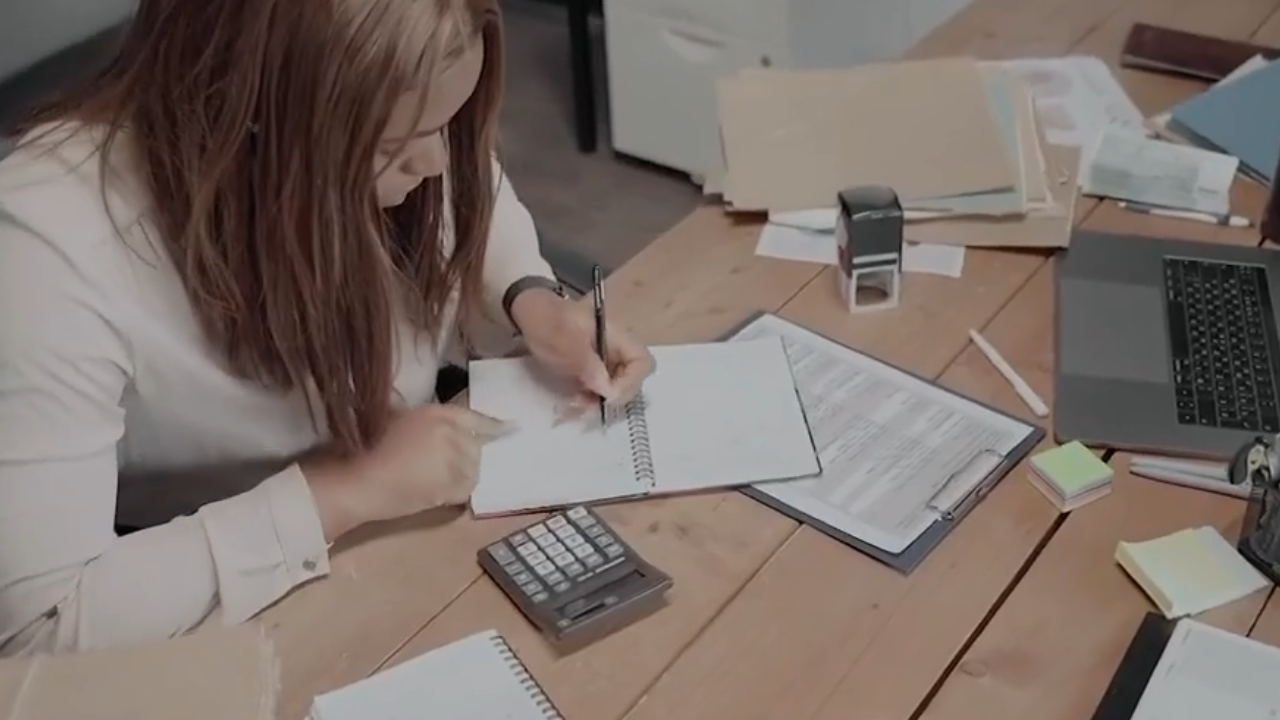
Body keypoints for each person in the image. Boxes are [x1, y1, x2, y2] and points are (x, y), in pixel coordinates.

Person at [0, 0, 655, 656]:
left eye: (448, 124)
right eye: (393, 147)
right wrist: (344, 490)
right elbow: (39, 626)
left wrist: (528, 293)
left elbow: (465, 178)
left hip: (399, 511)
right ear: (257, 117)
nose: (435, 162)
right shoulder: (46, 252)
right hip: (212, 594)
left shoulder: (407, 140)